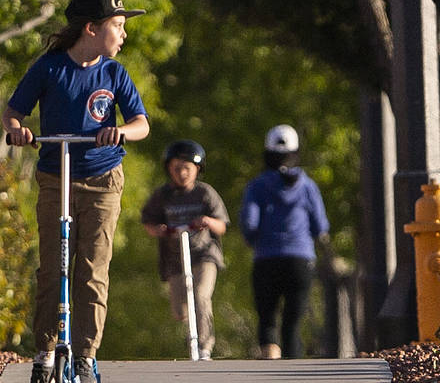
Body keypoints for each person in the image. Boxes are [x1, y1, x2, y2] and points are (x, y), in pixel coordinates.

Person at [3, 0, 150, 383]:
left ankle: (86, 356)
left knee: (91, 270)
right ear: (91, 28)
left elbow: (141, 123)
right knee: (53, 267)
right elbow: (13, 111)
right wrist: (18, 129)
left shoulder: (114, 73)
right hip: (56, 175)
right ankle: (44, 354)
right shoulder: (49, 69)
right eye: (117, 26)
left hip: (103, 178)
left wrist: (120, 131)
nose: (123, 34)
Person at [239, 124, 330, 359]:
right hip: (300, 260)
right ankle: (291, 375)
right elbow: (321, 225)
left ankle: (270, 362)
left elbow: (249, 223)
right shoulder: (308, 186)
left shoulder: (257, 186)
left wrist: (254, 240)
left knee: (267, 319)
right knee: (293, 322)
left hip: (266, 259)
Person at [140, 140, 230, 361]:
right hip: (175, 257)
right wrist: (159, 230)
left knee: (201, 296)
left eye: (186, 168)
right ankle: (192, 330)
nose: (181, 173)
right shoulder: (163, 195)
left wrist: (208, 221)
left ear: (197, 169)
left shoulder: (205, 193)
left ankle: (205, 347)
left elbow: (222, 225)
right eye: (176, 168)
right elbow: (148, 222)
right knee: (180, 311)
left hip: (203, 255)